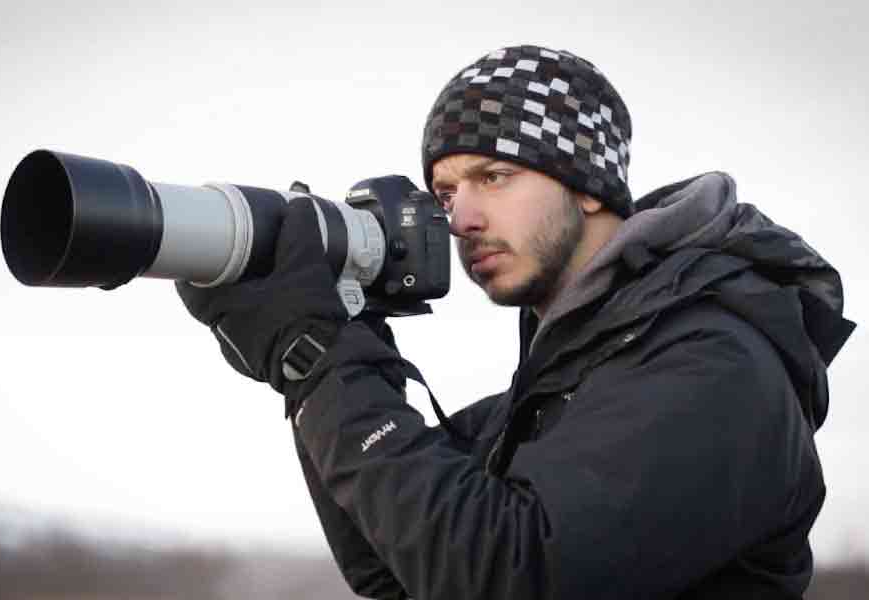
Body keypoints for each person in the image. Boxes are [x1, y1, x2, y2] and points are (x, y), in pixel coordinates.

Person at [176, 45, 855, 599]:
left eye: (493, 176)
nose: (460, 218)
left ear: (586, 185)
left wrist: (321, 357)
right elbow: (395, 568)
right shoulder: (554, 391)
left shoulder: (716, 368)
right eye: (446, 191)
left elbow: (506, 577)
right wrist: (328, 358)